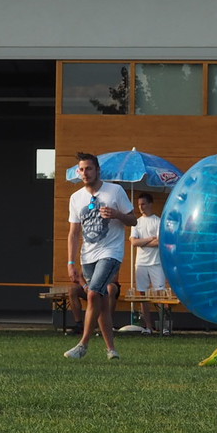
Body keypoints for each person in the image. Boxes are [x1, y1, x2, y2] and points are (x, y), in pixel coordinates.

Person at [63, 152, 135, 361]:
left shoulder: (115, 191)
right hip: (87, 256)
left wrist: (117, 214)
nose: (85, 173)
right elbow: (74, 233)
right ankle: (111, 350)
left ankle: (83, 344)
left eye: (89, 169)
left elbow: (133, 220)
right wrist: (70, 262)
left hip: (111, 252)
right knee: (101, 303)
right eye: (81, 169)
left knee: (93, 293)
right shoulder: (76, 198)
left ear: (98, 171)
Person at [129, 192, 168, 334]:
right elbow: (134, 242)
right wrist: (149, 239)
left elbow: (159, 242)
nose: (141, 207)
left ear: (150, 204)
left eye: (143, 204)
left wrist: (143, 242)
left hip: (156, 263)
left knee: (160, 295)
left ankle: (164, 326)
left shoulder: (158, 221)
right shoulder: (136, 222)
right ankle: (148, 327)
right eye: (139, 205)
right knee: (143, 296)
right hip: (141, 263)